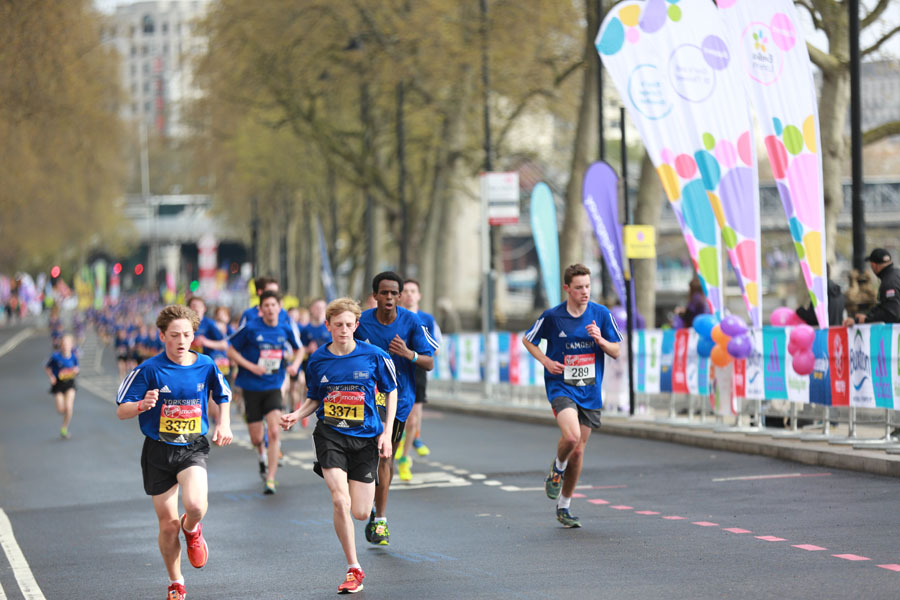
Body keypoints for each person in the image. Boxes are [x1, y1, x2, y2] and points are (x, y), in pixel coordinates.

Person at [115, 305, 233, 600]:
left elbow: (223, 394)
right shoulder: (148, 370)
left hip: (192, 445)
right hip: (158, 450)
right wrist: (141, 405)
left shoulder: (205, 364)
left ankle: (192, 530)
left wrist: (224, 424)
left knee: (194, 506)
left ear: (194, 335)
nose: (182, 341)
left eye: (187, 335)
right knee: (167, 526)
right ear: (162, 336)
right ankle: (176, 583)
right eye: (175, 335)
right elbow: (121, 410)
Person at [281, 298, 398, 594]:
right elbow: (315, 398)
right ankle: (353, 568)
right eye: (338, 325)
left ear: (356, 326)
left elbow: (391, 390)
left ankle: (366, 509)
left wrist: (386, 432)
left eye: (349, 325)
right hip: (330, 434)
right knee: (339, 500)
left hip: (365, 438)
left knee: (359, 512)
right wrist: (297, 413)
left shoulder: (374, 355)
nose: (344, 330)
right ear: (328, 326)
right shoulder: (318, 360)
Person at [522, 263, 622, 528]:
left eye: (588, 286)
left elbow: (617, 351)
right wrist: (545, 361)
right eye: (579, 288)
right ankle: (557, 468)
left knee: (578, 452)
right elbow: (528, 339)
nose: (585, 292)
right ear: (567, 288)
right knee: (572, 436)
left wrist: (601, 341)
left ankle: (564, 507)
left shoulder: (600, 314)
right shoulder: (553, 317)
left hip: (589, 389)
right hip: (561, 385)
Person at [354, 271, 437, 545]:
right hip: (365, 399)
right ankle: (367, 501)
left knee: (385, 456)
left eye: (394, 293)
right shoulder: (362, 322)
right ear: (375, 295)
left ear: (399, 296)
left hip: (397, 402)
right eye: (384, 293)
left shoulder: (411, 322)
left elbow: (429, 362)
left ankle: (380, 519)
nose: (389, 297)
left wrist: (408, 353)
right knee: (366, 456)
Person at [227, 290, 303, 494]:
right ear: (260, 310)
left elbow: (300, 349)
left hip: (273, 386)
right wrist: (251, 367)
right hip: (251, 387)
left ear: (279, 308)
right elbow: (230, 350)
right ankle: (261, 454)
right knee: (255, 437)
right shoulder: (250, 328)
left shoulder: (285, 328)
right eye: (266, 305)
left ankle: (270, 478)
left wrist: (295, 364)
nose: (270, 309)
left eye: (273, 305)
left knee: (274, 430)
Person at [395, 278, 443, 480]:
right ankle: (397, 439)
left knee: (413, 416)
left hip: (417, 369)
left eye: (413, 291)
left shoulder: (427, 319)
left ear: (419, 295)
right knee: (396, 415)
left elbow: (436, 348)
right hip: (395, 371)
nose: (409, 294)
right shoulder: (393, 317)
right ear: (399, 296)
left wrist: (417, 353)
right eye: (405, 291)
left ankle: (404, 458)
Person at [843, 248, 900, 326]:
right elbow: (884, 306)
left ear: (873, 265)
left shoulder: (889, 282)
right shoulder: (896, 274)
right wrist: (866, 316)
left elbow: (891, 313)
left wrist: (866, 319)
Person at [45, 333, 79, 438]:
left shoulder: (73, 357)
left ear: (71, 345)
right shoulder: (55, 357)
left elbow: (76, 368)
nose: (65, 345)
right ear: (61, 345)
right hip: (58, 385)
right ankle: (64, 417)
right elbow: (47, 368)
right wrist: (51, 377)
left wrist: (75, 371)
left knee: (69, 407)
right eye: (63, 343)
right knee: (61, 410)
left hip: (70, 384)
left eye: (68, 343)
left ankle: (64, 427)